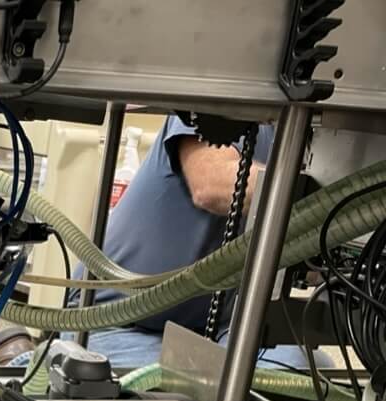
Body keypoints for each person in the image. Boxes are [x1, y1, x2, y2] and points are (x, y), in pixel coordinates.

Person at [70, 114, 317, 369]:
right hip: (112, 320)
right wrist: (321, 191)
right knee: (225, 382)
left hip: (208, 330)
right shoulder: (229, 102)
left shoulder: (300, 134)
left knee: (307, 370)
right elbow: (210, 185)